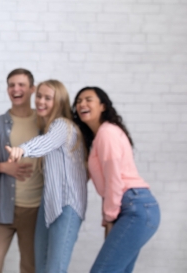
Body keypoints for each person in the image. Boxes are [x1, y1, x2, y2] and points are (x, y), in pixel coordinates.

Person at [73, 87, 160, 273]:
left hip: (135, 207)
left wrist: (109, 217)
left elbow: (114, 178)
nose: (82, 104)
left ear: (103, 106)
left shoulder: (107, 133)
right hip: (134, 206)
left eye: (88, 99)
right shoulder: (102, 135)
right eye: (78, 101)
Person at [6, 80, 87, 273]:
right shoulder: (46, 126)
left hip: (67, 204)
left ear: (59, 102)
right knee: (40, 268)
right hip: (49, 203)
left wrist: (22, 149)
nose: (41, 101)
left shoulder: (62, 125)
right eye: (39, 96)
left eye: (47, 98)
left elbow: (47, 142)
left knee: (54, 269)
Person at [0, 68, 42, 273]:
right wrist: (1, 166)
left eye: (21, 85)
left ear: (32, 89)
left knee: (30, 266)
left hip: (35, 209)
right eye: (11, 85)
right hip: (3, 210)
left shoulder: (44, 123)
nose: (16, 89)